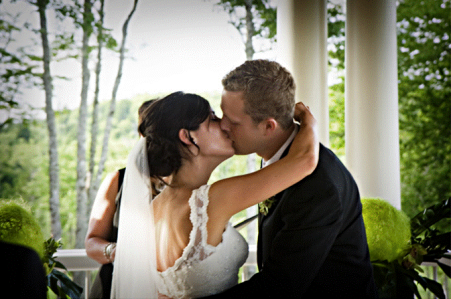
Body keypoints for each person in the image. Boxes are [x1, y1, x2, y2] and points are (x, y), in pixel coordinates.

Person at [110, 91, 319, 298]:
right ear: (188, 137)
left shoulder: (152, 210)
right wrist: (308, 122)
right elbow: (304, 161)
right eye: (212, 119)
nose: (225, 125)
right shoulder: (211, 200)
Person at [205, 59, 378, 298]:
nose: (222, 126)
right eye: (223, 114)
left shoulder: (319, 187)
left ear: (268, 127)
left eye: (233, 121)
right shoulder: (279, 157)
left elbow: (279, 288)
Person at [85, 99, 160, 299]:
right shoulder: (117, 181)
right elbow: (92, 242)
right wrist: (116, 251)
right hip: (113, 286)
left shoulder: (190, 183)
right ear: (142, 134)